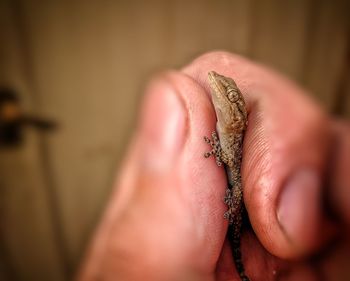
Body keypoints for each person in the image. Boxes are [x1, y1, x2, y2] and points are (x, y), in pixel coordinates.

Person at [78, 52, 350, 281]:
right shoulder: (230, 130)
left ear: (237, 116)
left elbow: (229, 160)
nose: (219, 86)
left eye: (229, 92)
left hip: (238, 207)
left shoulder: (234, 137)